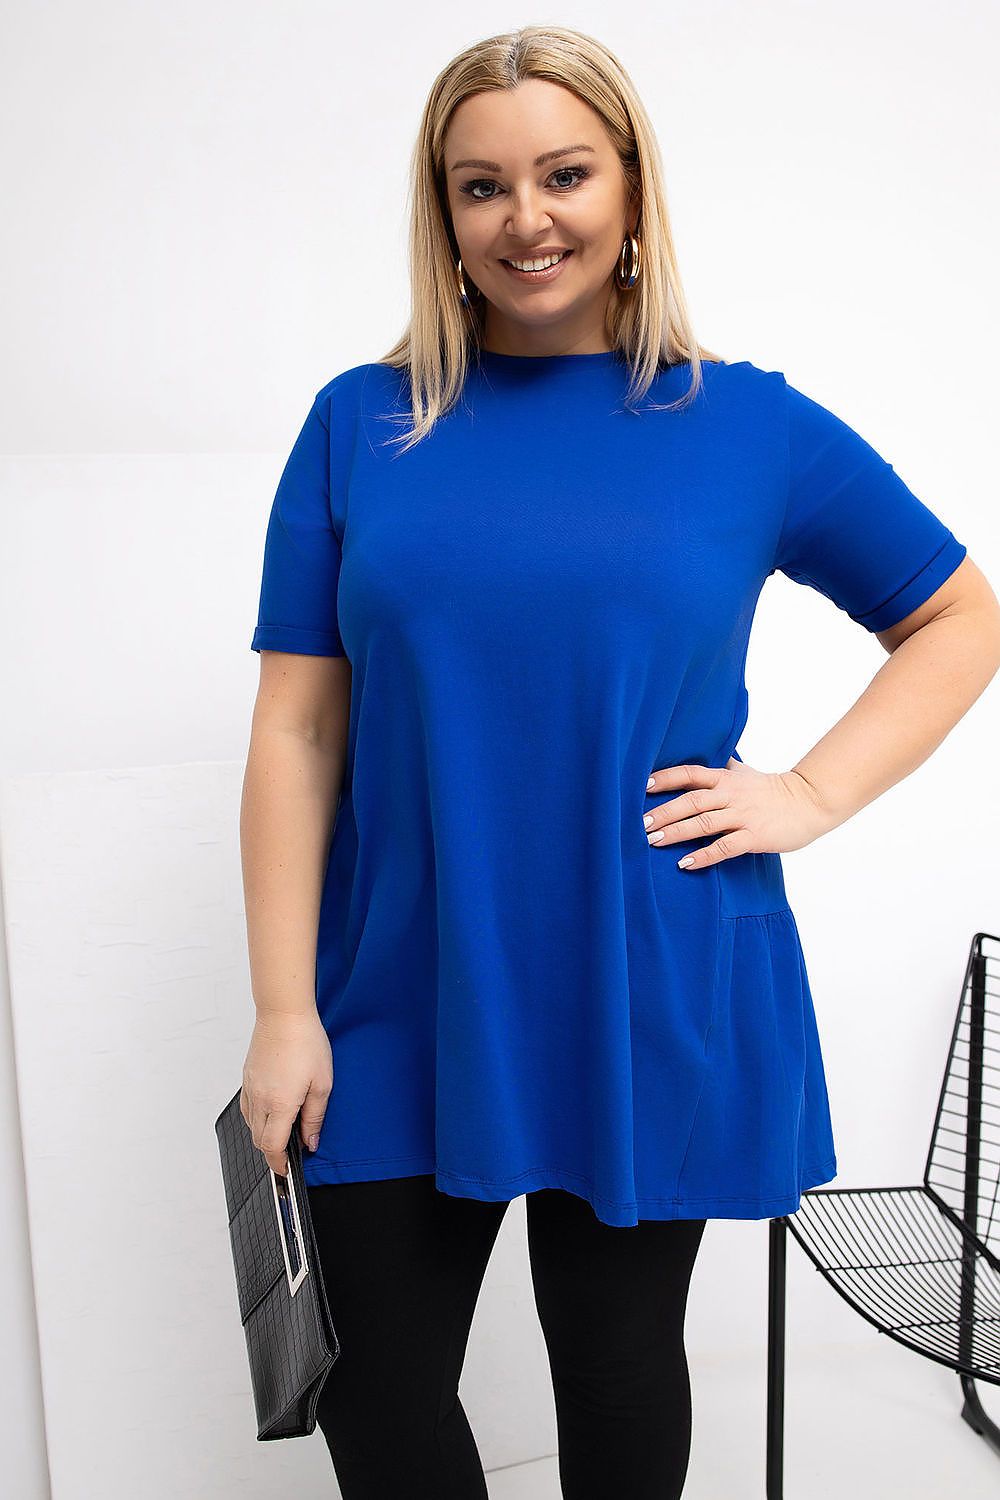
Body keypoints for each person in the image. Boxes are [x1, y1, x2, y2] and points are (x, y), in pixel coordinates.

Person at [237, 24, 1000, 1500]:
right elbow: (299, 724)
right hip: (398, 976)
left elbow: (959, 618)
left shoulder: (750, 427)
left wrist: (812, 794)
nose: (528, 218)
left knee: (619, 1363)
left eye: (566, 173)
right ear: (442, 213)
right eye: (482, 185)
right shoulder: (360, 422)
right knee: (377, 1384)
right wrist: (283, 1006)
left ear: (634, 187)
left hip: (652, 959)